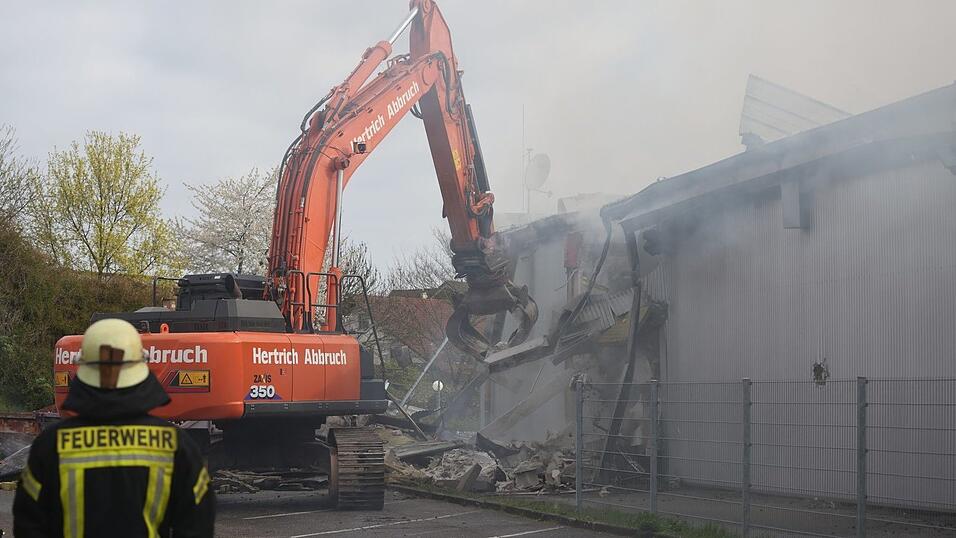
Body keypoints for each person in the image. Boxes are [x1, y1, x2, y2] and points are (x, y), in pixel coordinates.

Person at [13, 318, 215, 537]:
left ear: (83, 370)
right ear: (141, 368)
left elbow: (29, 523)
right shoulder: (175, 445)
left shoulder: (51, 444)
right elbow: (197, 524)